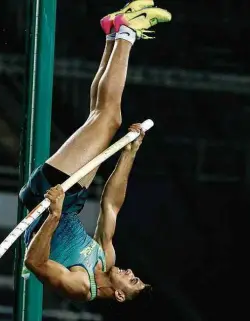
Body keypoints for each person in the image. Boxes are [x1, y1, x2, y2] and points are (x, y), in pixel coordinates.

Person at [20, 1, 171, 303]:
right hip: (69, 200)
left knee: (109, 119)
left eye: (133, 282)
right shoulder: (106, 259)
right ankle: (113, 32)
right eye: (136, 276)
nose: (130, 273)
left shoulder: (80, 286)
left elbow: (34, 263)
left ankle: (125, 31)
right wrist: (130, 152)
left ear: (118, 295)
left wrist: (53, 215)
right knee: (100, 115)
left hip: (49, 198)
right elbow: (111, 205)